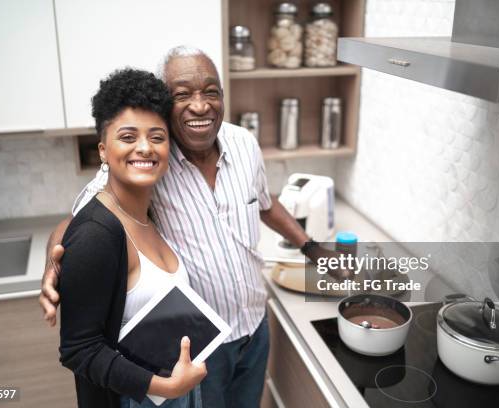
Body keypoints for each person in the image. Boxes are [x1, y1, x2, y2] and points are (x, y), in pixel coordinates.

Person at [42, 46, 332, 408]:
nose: (200, 106)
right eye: (183, 94)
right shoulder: (150, 161)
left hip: (255, 328)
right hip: (198, 346)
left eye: (211, 91)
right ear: (167, 105)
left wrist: (312, 247)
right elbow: (80, 220)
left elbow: (265, 203)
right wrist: (53, 266)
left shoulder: (243, 144)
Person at [58, 68, 206, 408]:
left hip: (175, 388)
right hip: (136, 399)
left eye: (157, 137)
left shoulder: (151, 213)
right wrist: (163, 387)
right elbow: (78, 350)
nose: (145, 148)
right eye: (127, 137)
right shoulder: (96, 234)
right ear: (102, 150)